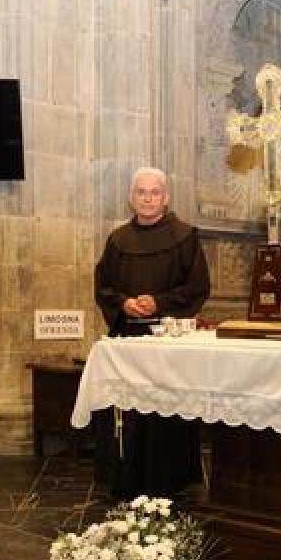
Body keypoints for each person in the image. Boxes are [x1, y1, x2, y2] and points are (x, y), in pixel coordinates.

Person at [94, 167, 210, 500]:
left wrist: (158, 302)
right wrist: (124, 304)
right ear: (131, 198)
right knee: (129, 413)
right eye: (141, 192)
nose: (147, 198)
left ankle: (172, 481)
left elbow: (198, 286)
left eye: (154, 192)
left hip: (169, 341)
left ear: (166, 198)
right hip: (128, 340)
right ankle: (125, 479)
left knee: (166, 412)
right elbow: (103, 287)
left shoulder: (186, 236)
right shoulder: (117, 240)